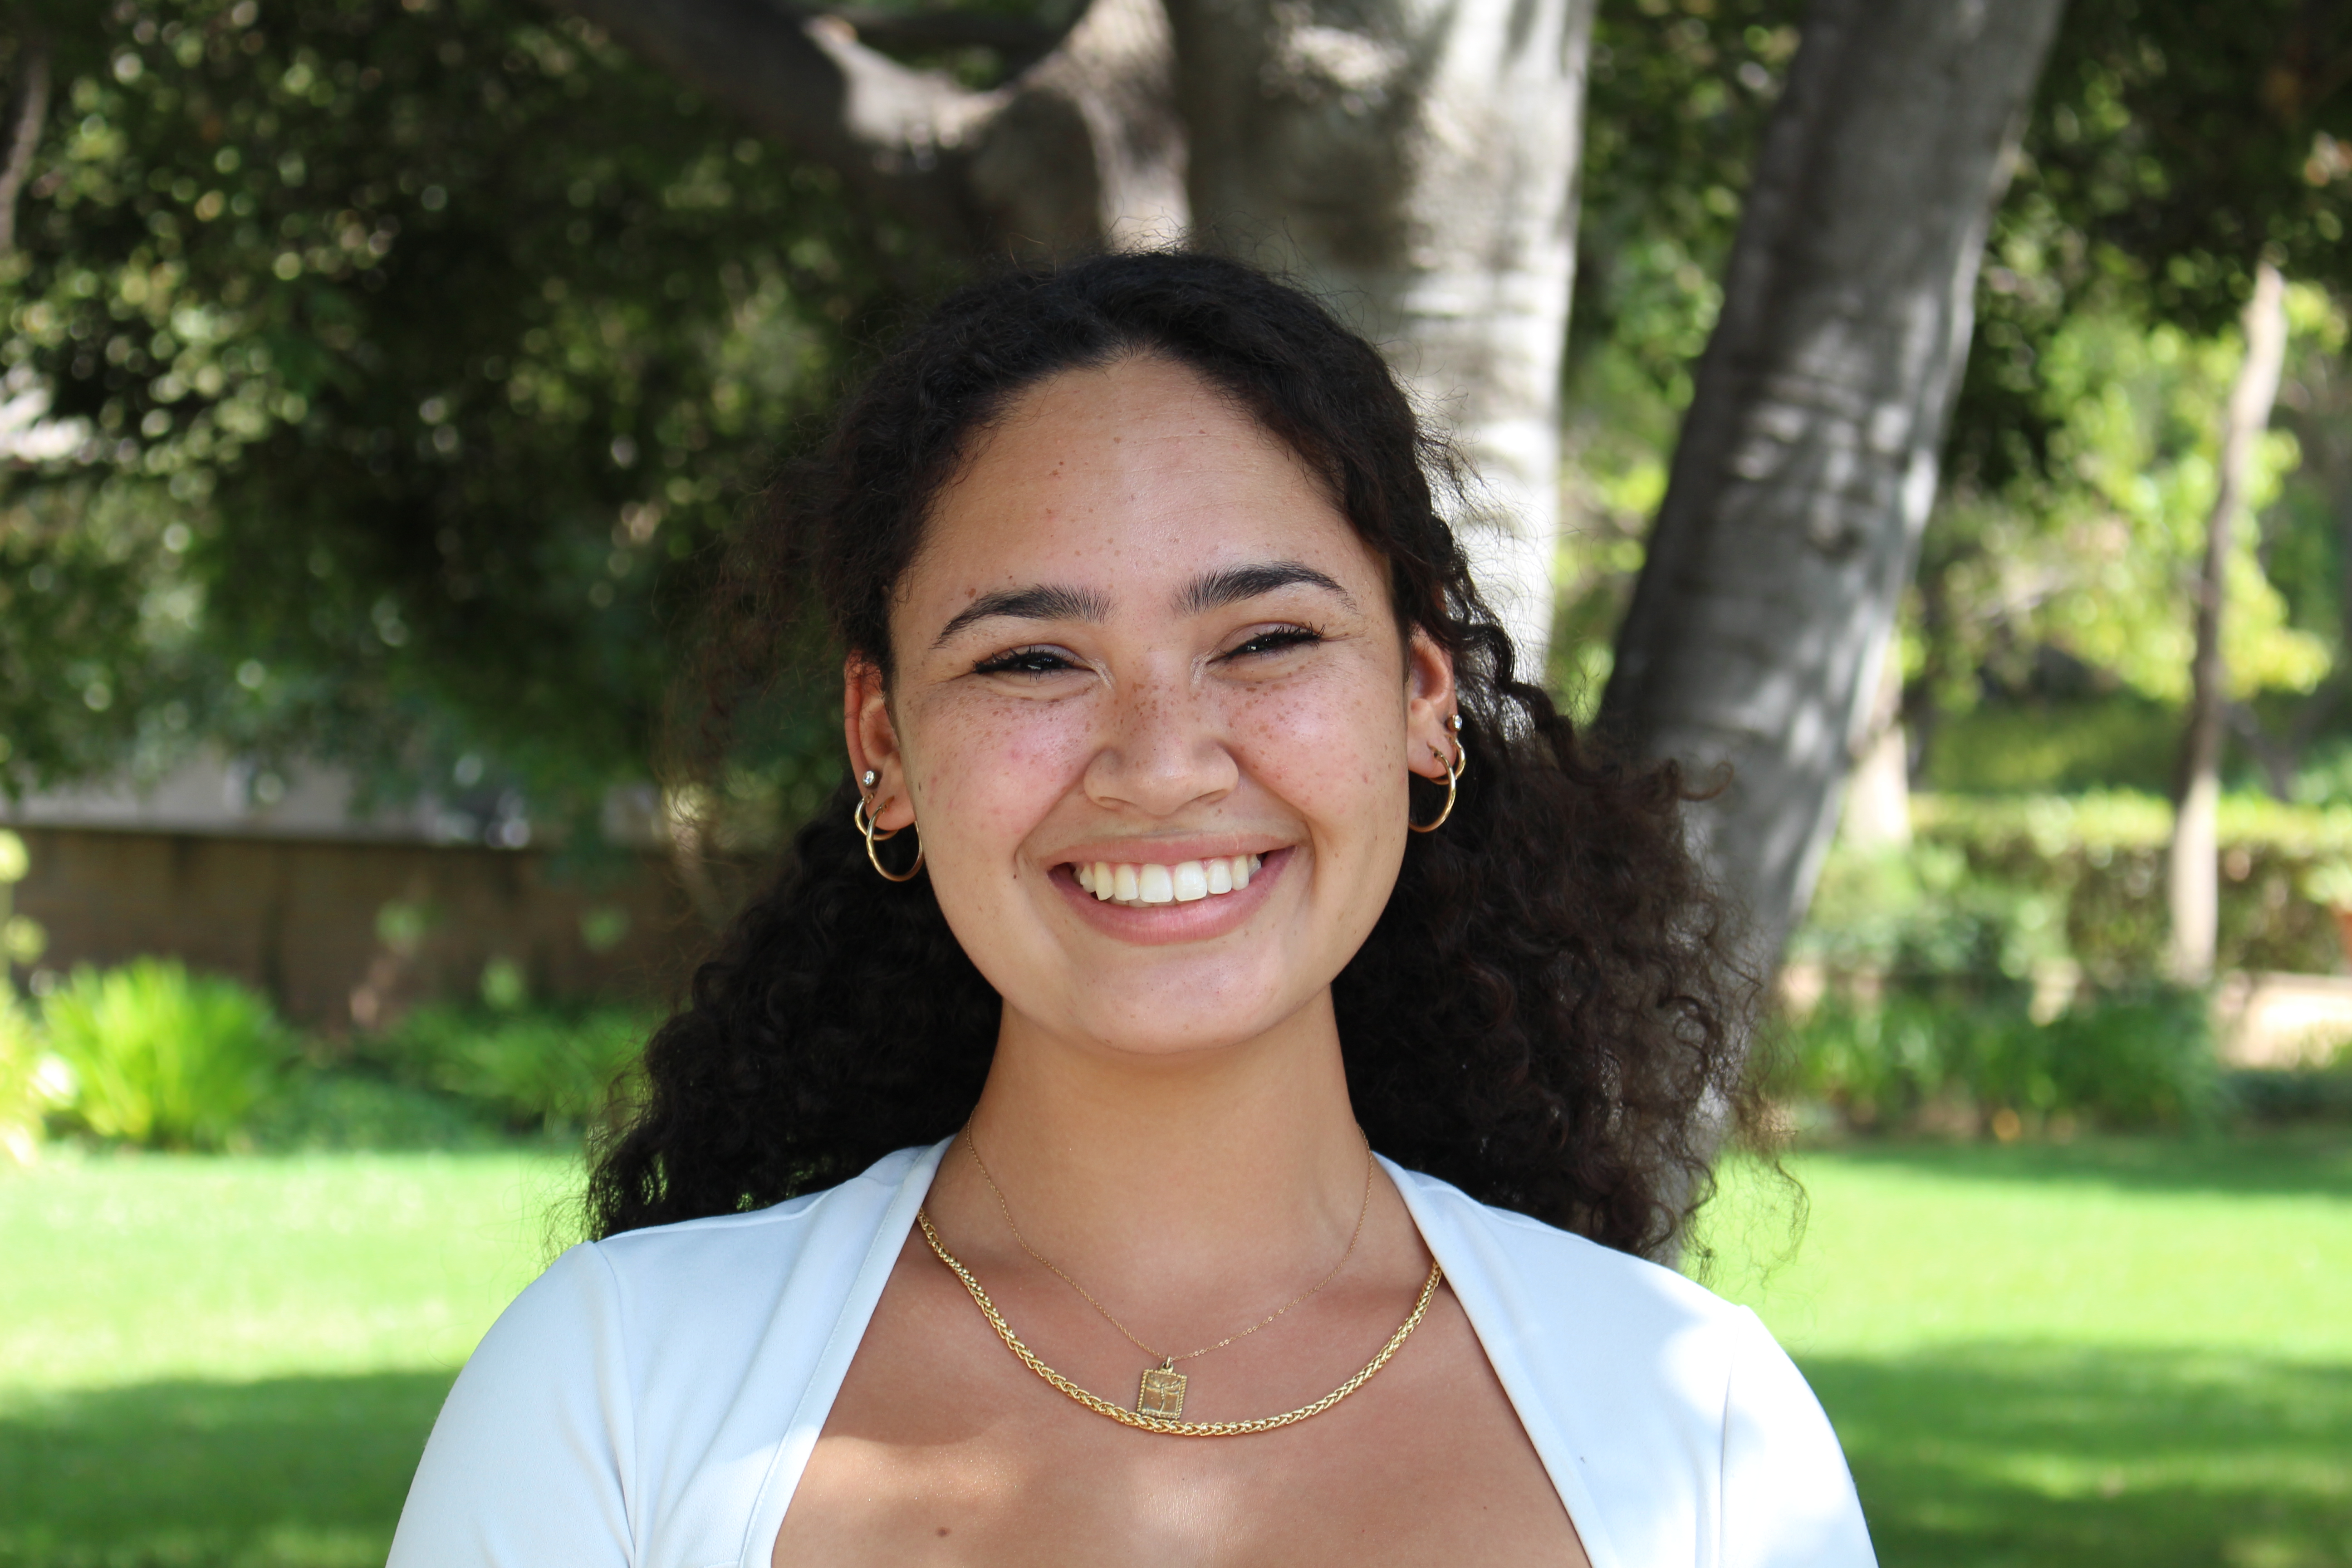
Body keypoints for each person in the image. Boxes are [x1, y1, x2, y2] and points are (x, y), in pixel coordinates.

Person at [388, 251, 1876, 1567]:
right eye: (1032, 661)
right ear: (884, 746)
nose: (1161, 765)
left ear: (1425, 699)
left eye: (1269, 639)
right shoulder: (620, 1394)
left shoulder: (1705, 1435)